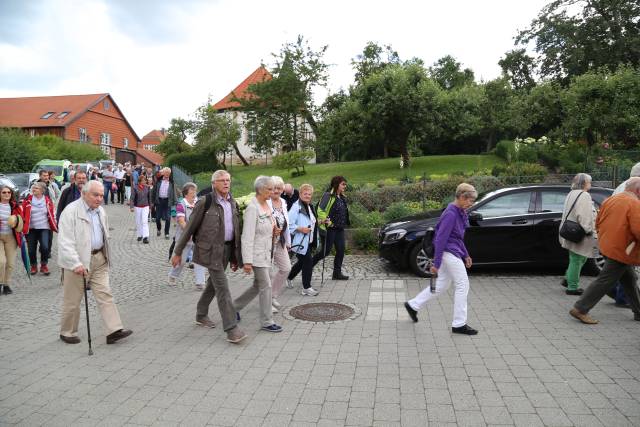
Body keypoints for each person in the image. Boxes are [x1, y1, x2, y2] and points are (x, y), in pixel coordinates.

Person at [171, 170, 247, 344]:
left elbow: (234, 231)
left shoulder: (232, 202)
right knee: (223, 288)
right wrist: (177, 252)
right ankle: (231, 329)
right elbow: (189, 228)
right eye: (222, 180)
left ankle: (200, 313)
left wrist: (236, 257)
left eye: (228, 180)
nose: (226, 183)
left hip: (227, 251)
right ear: (214, 183)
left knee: (213, 285)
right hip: (211, 251)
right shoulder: (205, 202)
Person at [57, 180, 133, 345]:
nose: (99, 198)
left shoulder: (100, 211)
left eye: (101, 195)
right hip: (77, 261)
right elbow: (65, 241)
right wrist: (75, 263)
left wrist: (105, 254)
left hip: (99, 258)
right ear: (84, 194)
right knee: (73, 299)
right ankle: (67, 331)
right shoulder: (70, 212)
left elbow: (105, 233)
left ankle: (113, 330)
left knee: (105, 294)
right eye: (95, 195)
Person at [404, 183, 479, 335]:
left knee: (442, 285)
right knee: (462, 284)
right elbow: (440, 239)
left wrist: (466, 254)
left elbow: (457, 237)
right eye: (471, 201)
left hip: (452, 251)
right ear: (463, 197)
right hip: (448, 253)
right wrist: (436, 264)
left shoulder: (458, 211)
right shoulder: (451, 214)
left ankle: (413, 305)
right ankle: (459, 324)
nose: (472, 204)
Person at [570, 177, 640, 325]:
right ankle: (580, 308)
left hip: (608, 245)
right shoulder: (634, 204)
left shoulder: (611, 200)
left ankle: (638, 311)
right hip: (622, 250)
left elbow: (598, 221)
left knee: (630, 279)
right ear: (638, 190)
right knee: (604, 281)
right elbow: (638, 229)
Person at [233, 176, 283, 332]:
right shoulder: (252, 208)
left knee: (257, 285)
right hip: (256, 255)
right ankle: (267, 321)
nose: (272, 191)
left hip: (267, 253)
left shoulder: (266, 205)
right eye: (269, 189)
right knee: (266, 286)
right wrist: (247, 261)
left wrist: (275, 231)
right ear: (260, 189)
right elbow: (247, 237)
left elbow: (268, 228)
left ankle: (232, 307)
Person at [559, 173, 598, 295]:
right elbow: (584, 215)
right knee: (577, 259)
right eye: (589, 182)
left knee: (580, 258)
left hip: (570, 230)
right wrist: (589, 230)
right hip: (579, 233)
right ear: (584, 183)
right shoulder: (584, 195)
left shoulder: (572, 193)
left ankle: (568, 278)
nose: (590, 184)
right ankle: (572, 287)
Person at [168, 182, 206, 290]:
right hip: (185, 236)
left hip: (197, 237)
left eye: (195, 190)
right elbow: (181, 221)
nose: (194, 192)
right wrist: (190, 232)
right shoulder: (181, 204)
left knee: (200, 258)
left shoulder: (198, 202)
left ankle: (200, 282)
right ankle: (173, 276)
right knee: (182, 260)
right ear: (186, 193)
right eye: (192, 190)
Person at [313, 176, 350, 280]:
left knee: (341, 250)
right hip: (330, 229)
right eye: (343, 184)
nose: (345, 186)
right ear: (336, 184)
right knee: (325, 252)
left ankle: (336, 274)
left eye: (345, 184)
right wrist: (328, 222)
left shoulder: (341, 196)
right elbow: (320, 210)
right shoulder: (328, 195)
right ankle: (309, 265)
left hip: (339, 228)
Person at [287, 184, 320, 296]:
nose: (307, 196)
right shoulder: (296, 207)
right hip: (299, 241)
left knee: (302, 262)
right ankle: (306, 287)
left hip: (308, 240)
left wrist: (320, 222)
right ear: (300, 194)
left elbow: (310, 221)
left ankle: (289, 276)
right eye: (305, 194)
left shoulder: (309, 206)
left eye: (309, 194)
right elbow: (289, 224)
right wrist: (300, 229)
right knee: (308, 262)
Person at [22, 182, 57, 275]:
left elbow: (52, 214)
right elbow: (23, 214)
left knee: (45, 247)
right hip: (31, 228)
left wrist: (55, 224)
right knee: (31, 249)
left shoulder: (47, 200)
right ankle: (33, 266)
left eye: (36, 188)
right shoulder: (28, 200)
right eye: (33, 188)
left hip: (44, 227)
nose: (34, 189)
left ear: (42, 190)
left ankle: (44, 265)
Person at [267, 176, 291, 311]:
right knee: (268, 273)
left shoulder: (283, 201)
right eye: (274, 188)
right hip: (268, 242)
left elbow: (286, 222)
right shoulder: (266, 201)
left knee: (286, 268)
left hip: (280, 241)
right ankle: (267, 302)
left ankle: (272, 295)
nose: (276, 191)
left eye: (279, 188)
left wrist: (288, 241)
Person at [0, 185, 23, 295]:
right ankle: (0, 282)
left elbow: (22, 220)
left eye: (9, 192)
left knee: (10, 263)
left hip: (11, 237)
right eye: (4, 192)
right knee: (1, 261)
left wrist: (17, 221)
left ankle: (6, 285)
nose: (7, 194)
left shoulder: (15, 206)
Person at [151, 167, 176, 239]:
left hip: (168, 201)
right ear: (163, 173)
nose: (167, 174)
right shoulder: (158, 181)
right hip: (159, 201)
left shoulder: (172, 182)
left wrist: (175, 201)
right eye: (166, 172)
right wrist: (152, 202)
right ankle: (159, 229)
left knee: (168, 218)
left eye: (168, 173)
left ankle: (166, 233)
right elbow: (154, 191)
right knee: (158, 218)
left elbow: (174, 192)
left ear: (170, 174)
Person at [130, 174, 151, 243]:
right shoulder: (135, 188)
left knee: (144, 221)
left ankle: (145, 237)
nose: (144, 182)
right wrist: (131, 207)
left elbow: (149, 198)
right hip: (137, 207)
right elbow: (132, 198)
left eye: (145, 180)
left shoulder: (147, 188)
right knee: (138, 222)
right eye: (143, 181)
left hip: (146, 206)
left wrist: (151, 206)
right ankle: (139, 235)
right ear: (139, 181)